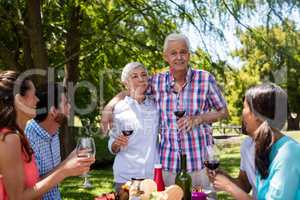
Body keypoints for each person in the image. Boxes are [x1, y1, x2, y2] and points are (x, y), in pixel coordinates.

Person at [102, 33, 228, 189]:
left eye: (183, 52)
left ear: (189, 55)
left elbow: (223, 111)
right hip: (168, 167)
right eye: (173, 53)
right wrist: (109, 107)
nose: (179, 57)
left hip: (201, 165)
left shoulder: (205, 79)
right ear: (165, 56)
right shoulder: (156, 81)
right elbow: (133, 89)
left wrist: (198, 119)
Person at [0, 70, 94, 200]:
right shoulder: (9, 138)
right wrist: (65, 170)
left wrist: (68, 163)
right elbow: (17, 197)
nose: (37, 100)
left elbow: (33, 183)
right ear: (19, 100)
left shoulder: (18, 135)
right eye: (33, 96)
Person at [210, 83, 300, 199]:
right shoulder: (257, 145)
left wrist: (229, 186)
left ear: (257, 114)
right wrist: (225, 179)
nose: (242, 114)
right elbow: (247, 186)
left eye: (244, 107)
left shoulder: (288, 154)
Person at [108, 62, 159, 192]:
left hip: (151, 177)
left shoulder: (155, 105)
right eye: (134, 76)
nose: (141, 79)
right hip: (125, 177)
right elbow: (112, 145)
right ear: (126, 83)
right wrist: (116, 144)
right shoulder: (118, 108)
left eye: (143, 75)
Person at [25, 83, 70, 200]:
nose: (70, 107)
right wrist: (66, 167)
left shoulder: (54, 133)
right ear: (53, 111)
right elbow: (29, 189)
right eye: (66, 103)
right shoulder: (27, 137)